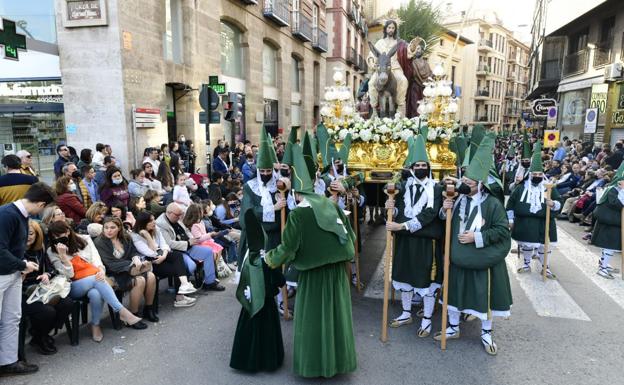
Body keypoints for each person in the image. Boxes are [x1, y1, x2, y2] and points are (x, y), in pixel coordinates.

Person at [264, 145, 357, 378]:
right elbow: (351, 238)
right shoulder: (331, 205)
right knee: (336, 319)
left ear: (296, 192)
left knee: (314, 322)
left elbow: (287, 248)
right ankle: (338, 362)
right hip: (337, 275)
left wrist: (269, 259)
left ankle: (315, 365)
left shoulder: (298, 215)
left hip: (314, 277)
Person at [435, 134, 512, 356]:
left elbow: (500, 231)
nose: (465, 186)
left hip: (481, 260)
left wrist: (476, 238)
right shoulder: (457, 199)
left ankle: (486, 332)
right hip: (457, 258)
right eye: (464, 182)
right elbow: (445, 221)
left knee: (483, 296)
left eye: (470, 184)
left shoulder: (493, 204)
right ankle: (452, 327)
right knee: (454, 293)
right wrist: (445, 208)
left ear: (480, 184)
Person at [47, 221, 146, 342]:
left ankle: (95, 325)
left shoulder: (84, 239)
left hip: (94, 277)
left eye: (60, 235)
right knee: (96, 279)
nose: (58, 239)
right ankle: (122, 311)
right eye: (54, 237)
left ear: (68, 232)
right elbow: (69, 275)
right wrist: (63, 257)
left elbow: (96, 259)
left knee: (96, 292)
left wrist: (100, 270)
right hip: (73, 286)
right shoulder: (51, 251)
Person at [384, 135, 443, 336]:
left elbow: (430, 214)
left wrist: (401, 226)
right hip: (404, 242)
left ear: (428, 167)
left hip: (426, 243)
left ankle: (426, 319)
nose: (420, 168)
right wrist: (391, 207)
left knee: (426, 281)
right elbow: (398, 208)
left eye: (422, 165)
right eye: (416, 165)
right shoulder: (403, 187)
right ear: (411, 167)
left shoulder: (437, 188)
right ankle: (406, 312)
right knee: (404, 276)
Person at [0, 183, 56, 377]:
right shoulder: (7, 214)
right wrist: (22, 265)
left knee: (11, 319)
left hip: (13, 274)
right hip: (2, 276)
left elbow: (14, 248)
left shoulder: (21, 215)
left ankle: (8, 362)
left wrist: (21, 264)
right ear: (41, 204)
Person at [230, 210, 285, 372]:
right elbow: (280, 281)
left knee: (249, 331)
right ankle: (268, 361)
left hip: (249, 305)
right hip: (266, 305)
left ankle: (246, 361)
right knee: (266, 332)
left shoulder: (248, 260)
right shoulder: (266, 261)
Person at [506, 142, 561, 278]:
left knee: (545, 245)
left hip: (545, 222)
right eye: (534, 173)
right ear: (530, 175)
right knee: (527, 244)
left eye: (539, 173)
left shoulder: (549, 187)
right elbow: (510, 204)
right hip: (525, 221)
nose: (537, 176)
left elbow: (560, 201)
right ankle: (526, 264)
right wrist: (511, 220)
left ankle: (545, 267)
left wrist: (553, 204)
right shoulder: (520, 188)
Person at [21, 220, 74, 356]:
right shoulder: (15, 251)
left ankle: (40, 335)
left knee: (67, 303)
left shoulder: (40, 250)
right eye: (25, 233)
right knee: (47, 312)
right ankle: (41, 337)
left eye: (31, 233)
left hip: (42, 289)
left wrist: (46, 274)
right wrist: (23, 274)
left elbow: (51, 270)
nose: (28, 236)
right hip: (22, 293)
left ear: (37, 234)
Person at [93, 217, 158, 323]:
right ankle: (133, 315)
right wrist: (131, 265)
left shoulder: (126, 237)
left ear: (119, 228)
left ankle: (148, 309)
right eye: (106, 228)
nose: (108, 230)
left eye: (112, 227)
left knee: (151, 276)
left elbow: (133, 251)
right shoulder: (99, 242)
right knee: (139, 280)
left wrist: (136, 258)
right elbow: (109, 264)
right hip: (114, 273)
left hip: (128, 268)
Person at [131, 212, 197, 307]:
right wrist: (147, 236)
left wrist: (164, 255)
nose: (154, 222)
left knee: (178, 256)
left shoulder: (156, 229)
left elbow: (165, 245)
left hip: (162, 256)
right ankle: (180, 297)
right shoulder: (136, 236)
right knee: (178, 268)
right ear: (143, 223)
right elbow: (151, 253)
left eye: (154, 219)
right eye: (150, 221)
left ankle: (184, 285)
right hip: (151, 263)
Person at [156, 203, 225, 291]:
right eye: (178, 215)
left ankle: (209, 282)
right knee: (191, 266)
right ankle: (182, 285)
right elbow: (169, 244)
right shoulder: (161, 224)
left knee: (208, 251)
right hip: (176, 251)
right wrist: (188, 243)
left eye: (181, 214)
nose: (180, 217)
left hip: (188, 245)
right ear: (169, 213)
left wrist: (192, 239)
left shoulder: (176, 217)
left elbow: (186, 231)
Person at [592, 163, 624, 279]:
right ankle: (603, 268)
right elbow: (617, 204)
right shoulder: (613, 190)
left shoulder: (618, 191)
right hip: (610, 222)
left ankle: (603, 263)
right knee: (610, 245)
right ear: (619, 181)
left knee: (610, 245)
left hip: (613, 222)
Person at [183, 203, 229, 277]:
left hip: (205, 241)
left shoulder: (201, 222)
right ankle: (207, 271)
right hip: (199, 244)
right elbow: (198, 238)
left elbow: (203, 233)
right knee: (213, 252)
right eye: (201, 211)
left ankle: (213, 269)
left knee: (219, 248)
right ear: (197, 213)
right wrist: (210, 235)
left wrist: (209, 236)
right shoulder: (194, 225)